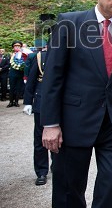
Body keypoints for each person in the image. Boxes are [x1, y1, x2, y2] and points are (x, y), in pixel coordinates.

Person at [40, 0, 112, 208]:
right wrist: (51, 123)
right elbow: (53, 77)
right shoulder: (69, 23)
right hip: (75, 120)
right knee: (69, 186)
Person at [23, 43, 51, 186]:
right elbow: (32, 79)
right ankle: (41, 171)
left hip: (64, 104)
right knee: (40, 139)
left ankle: (57, 166)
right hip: (42, 100)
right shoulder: (40, 57)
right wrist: (28, 101)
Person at [8, 41, 27, 107]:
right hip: (12, 73)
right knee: (12, 87)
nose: (17, 47)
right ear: (13, 47)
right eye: (15, 46)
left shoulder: (24, 54)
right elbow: (8, 64)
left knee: (18, 87)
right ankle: (10, 101)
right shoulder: (10, 54)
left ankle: (16, 101)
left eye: (19, 46)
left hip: (20, 73)